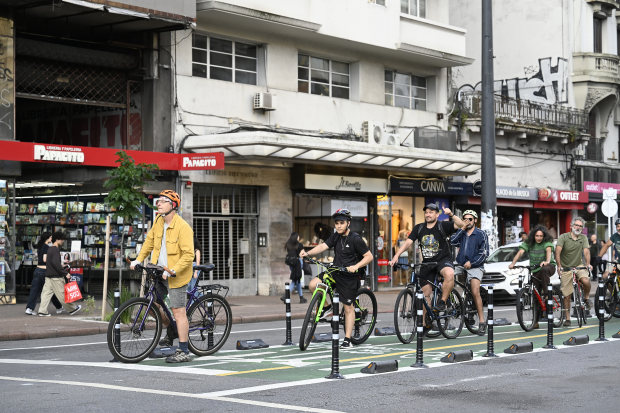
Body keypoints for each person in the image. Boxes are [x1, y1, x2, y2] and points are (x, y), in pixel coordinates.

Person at [131, 190, 194, 363]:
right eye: (158, 201)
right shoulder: (159, 221)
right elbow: (149, 242)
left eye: (163, 201)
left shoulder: (183, 227)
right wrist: (138, 259)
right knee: (152, 306)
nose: (158, 203)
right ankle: (172, 330)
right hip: (159, 271)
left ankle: (184, 350)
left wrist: (173, 270)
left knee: (178, 311)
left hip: (176, 275)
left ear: (173, 205)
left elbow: (189, 255)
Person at [300, 209, 373, 348]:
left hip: (350, 276)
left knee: (348, 307)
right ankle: (327, 307)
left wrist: (355, 266)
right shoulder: (336, 236)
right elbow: (322, 246)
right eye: (337, 223)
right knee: (313, 285)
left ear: (348, 223)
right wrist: (307, 253)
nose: (338, 226)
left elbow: (369, 257)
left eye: (342, 223)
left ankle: (347, 339)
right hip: (335, 271)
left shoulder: (355, 239)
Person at [389, 203, 465, 336]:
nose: (428, 214)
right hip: (427, 264)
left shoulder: (443, 225)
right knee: (424, 295)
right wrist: (396, 255)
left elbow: (461, 225)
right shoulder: (419, 228)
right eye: (426, 212)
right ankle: (426, 323)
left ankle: (442, 302)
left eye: (431, 212)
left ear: (437, 214)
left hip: (442, 260)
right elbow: (408, 242)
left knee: (449, 273)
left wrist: (451, 215)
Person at [509, 225, 556, 329]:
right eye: (536, 236)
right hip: (535, 269)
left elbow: (549, 251)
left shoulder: (546, 242)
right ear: (533, 236)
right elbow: (520, 252)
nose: (538, 238)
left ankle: (548, 294)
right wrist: (513, 263)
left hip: (549, 267)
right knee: (535, 296)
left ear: (544, 236)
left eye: (540, 236)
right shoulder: (529, 243)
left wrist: (547, 261)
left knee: (544, 270)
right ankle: (536, 321)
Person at [451, 210, 489, 334]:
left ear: (475, 220)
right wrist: (462, 228)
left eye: (470, 219)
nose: (468, 221)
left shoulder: (481, 234)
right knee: (445, 276)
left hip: (476, 265)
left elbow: (484, 253)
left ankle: (482, 322)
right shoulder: (462, 232)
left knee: (475, 291)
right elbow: (452, 241)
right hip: (460, 263)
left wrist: (472, 263)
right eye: (465, 219)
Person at [555, 216, 591, 327]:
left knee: (586, 281)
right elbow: (557, 252)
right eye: (576, 225)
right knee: (567, 296)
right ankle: (567, 318)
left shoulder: (583, 238)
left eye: (580, 226)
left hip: (579, 266)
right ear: (572, 225)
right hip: (566, 268)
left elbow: (586, 251)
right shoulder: (563, 237)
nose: (578, 227)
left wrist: (588, 264)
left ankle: (586, 298)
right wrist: (559, 266)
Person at [37, 232, 82, 316]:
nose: (63, 241)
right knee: (62, 294)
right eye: (61, 239)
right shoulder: (55, 249)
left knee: (45, 294)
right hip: (56, 276)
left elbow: (51, 263)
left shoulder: (50, 249)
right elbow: (56, 264)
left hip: (49, 275)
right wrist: (65, 273)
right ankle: (72, 309)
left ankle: (42, 311)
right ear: (57, 239)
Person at [25, 232, 64, 316]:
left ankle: (29, 308)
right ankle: (59, 307)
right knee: (51, 290)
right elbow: (45, 259)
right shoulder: (47, 247)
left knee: (35, 290)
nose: (51, 239)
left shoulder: (40, 246)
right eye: (50, 237)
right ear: (47, 238)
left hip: (37, 270)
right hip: (44, 271)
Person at [282, 232, 307, 304]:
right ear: (296, 237)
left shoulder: (288, 244)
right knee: (295, 280)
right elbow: (302, 255)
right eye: (298, 236)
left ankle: (301, 298)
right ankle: (285, 295)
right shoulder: (299, 244)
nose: (299, 238)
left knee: (297, 280)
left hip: (291, 264)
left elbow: (290, 253)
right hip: (298, 263)